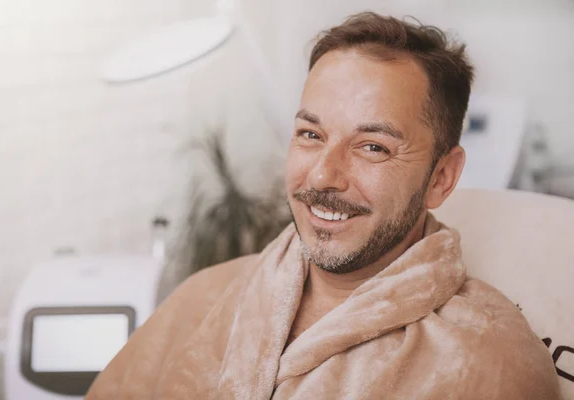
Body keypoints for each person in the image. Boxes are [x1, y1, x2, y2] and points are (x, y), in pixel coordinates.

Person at [86, 12, 561, 399]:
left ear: (441, 178)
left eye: (372, 146)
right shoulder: (202, 296)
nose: (321, 176)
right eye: (311, 135)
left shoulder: (486, 363)